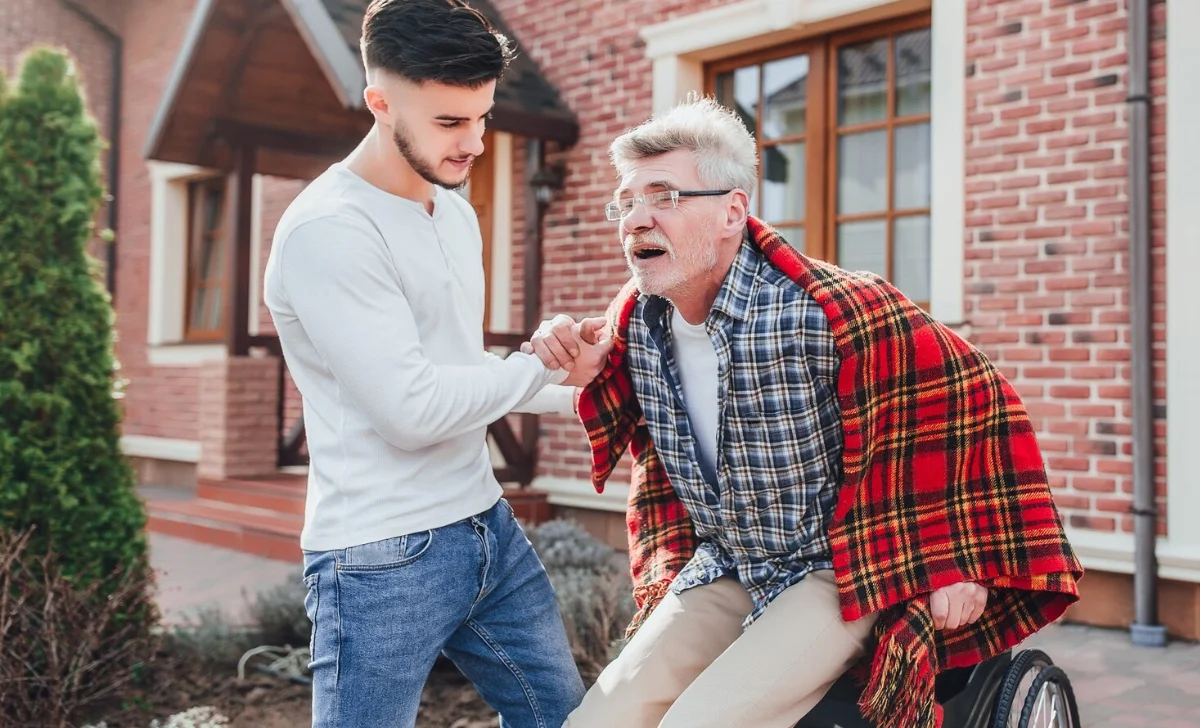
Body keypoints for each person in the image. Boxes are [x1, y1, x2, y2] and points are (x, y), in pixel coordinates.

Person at [527, 96, 1082, 728]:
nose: (635, 220)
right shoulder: (636, 324)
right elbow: (605, 387)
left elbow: (978, 404)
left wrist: (963, 561)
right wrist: (578, 371)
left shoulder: (834, 312)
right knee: (596, 721)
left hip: (838, 573)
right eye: (625, 202)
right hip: (730, 561)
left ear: (733, 211)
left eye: (664, 196)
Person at [262, 2, 608, 726]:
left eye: (482, 117)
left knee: (566, 719)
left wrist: (576, 383)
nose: (475, 143)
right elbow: (412, 410)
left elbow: (453, 366)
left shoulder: (453, 211)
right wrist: (538, 369)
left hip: (485, 526)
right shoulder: (330, 231)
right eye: (450, 123)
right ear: (380, 103)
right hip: (380, 557)